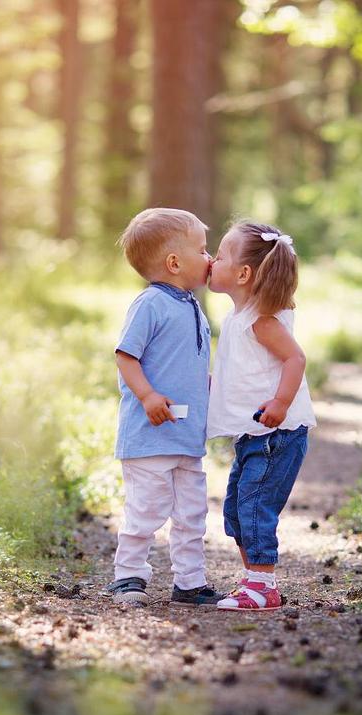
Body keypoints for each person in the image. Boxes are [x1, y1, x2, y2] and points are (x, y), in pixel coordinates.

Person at [107, 208, 225, 607]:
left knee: (192, 515)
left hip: (186, 438)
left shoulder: (192, 305)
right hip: (150, 436)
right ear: (175, 263)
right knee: (145, 511)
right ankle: (128, 576)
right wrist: (148, 396)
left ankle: (190, 582)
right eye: (204, 251)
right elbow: (126, 356)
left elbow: (187, 364)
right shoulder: (150, 304)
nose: (211, 259)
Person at [206, 221, 316, 611]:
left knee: (254, 506)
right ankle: (252, 580)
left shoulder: (262, 320)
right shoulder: (239, 318)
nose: (209, 261)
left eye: (218, 256)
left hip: (277, 432)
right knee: (237, 507)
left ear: (242, 274)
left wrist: (281, 403)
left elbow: (295, 358)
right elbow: (244, 372)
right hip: (256, 435)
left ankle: (263, 586)